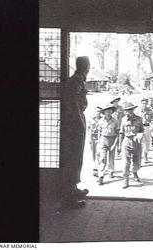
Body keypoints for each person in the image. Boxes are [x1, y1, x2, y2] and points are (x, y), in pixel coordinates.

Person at [60, 56, 90, 208]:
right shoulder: (76, 80)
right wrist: (79, 121)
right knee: (73, 158)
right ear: (86, 66)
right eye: (88, 65)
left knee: (76, 157)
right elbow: (72, 102)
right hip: (75, 124)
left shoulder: (77, 79)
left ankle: (73, 189)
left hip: (76, 122)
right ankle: (68, 198)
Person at [118, 102, 144, 189]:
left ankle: (134, 172)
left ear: (133, 110)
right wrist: (119, 144)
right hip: (127, 141)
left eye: (129, 110)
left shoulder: (139, 119)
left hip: (136, 141)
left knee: (137, 161)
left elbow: (141, 130)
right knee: (126, 162)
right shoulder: (123, 119)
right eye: (126, 111)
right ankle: (126, 179)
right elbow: (121, 132)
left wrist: (140, 135)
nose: (127, 112)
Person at [97, 104, 120, 185]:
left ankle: (111, 171)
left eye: (110, 111)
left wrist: (116, 144)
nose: (108, 113)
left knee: (111, 157)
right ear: (104, 112)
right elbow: (99, 132)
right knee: (102, 158)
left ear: (112, 112)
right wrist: (99, 141)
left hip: (112, 139)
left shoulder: (116, 121)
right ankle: (101, 176)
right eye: (106, 111)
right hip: (103, 139)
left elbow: (118, 133)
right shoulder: (101, 121)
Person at [136, 98, 153, 163]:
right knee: (140, 142)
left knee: (147, 142)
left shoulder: (150, 110)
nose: (144, 104)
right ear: (141, 103)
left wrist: (152, 126)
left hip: (147, 127)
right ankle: (139, 157)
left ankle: (145, 156)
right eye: (143, 103)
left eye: (146, 103)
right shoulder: (137, 111)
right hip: (139, 127)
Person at [88, 106, 103, 177]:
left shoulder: (103, 119)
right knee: (93, 153)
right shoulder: (91, 119)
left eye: (99, 111)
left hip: (100, 137)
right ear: (95, 111)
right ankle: (95, 167)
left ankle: (97, 168)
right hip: (93, 138)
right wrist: (89, 138)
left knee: (99, 153)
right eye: (97, 111)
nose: (98, 113)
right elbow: (89, 129)